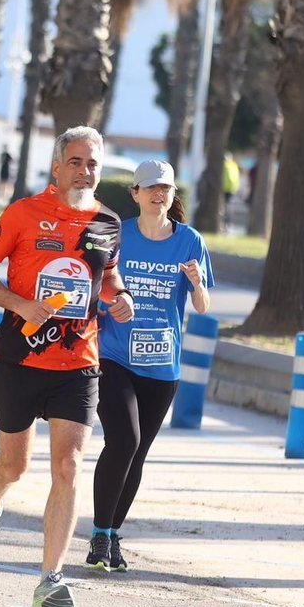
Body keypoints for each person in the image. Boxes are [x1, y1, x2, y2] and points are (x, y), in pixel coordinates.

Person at [0, 125, 134, 607]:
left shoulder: (108, 222)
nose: (84, 171)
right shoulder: (23, 213)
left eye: (92, 163)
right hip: (20, 357)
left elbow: (107, 275)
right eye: (75, 161)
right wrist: (21, 305)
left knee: (68, 466)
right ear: (57, 168)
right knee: (13, 466)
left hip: (79, 362)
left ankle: (50, 580)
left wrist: (120, 297)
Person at [89, 160, 212, 574]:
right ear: (135, 193)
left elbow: (202, 306)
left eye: (166, 189)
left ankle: (112, 535)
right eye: (151, 188)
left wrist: (197, 284)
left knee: (137, 453)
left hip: (161, 366)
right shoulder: (117, 234)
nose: (160, 194)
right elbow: (94, 287)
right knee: (124, 439)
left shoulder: (189, 241)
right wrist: (109, 304)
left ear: (173, 195)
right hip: (114, 355)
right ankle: (99, 534)